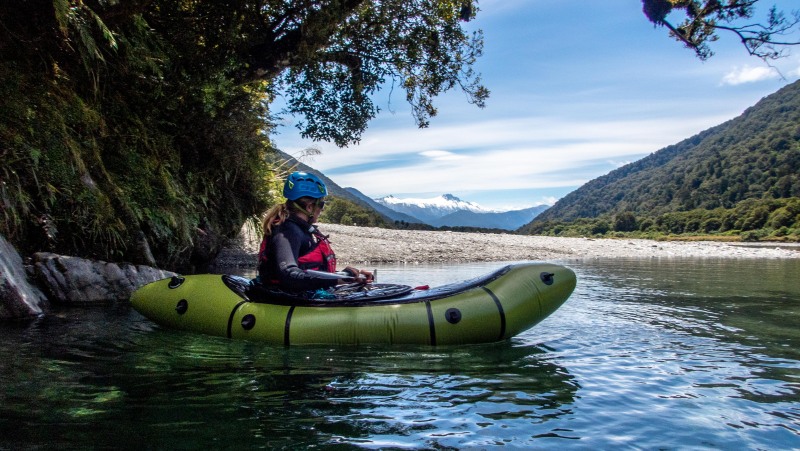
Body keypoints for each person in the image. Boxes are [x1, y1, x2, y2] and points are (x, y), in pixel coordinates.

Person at [255, 171, 373, 292]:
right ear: (309, 207)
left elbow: (309, 272)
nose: (322, 209)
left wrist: (347, 276)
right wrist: (339, 279)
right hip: (284, 300)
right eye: (321, 204)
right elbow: (288, 274)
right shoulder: (287, 232)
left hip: (302, 296)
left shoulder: (301, 230)